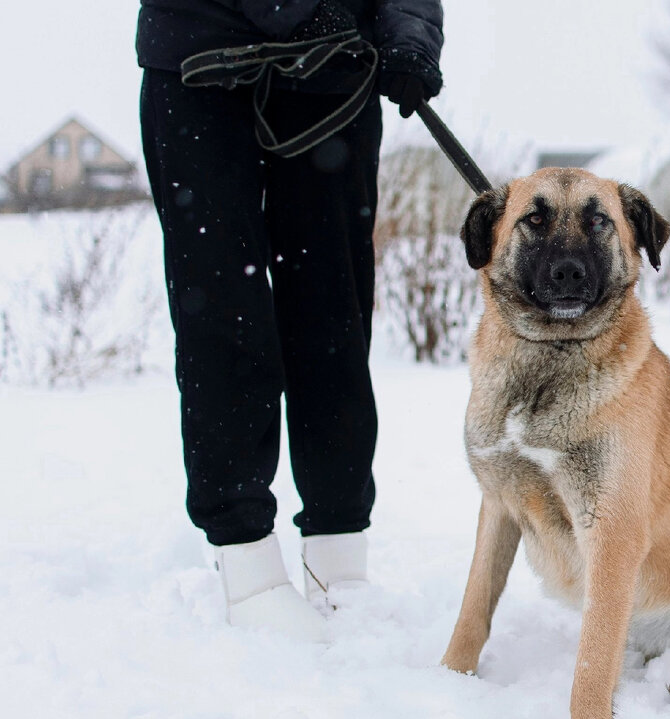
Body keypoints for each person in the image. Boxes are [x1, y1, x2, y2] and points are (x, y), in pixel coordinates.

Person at [137, 0, 444, 639]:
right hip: (196, 58)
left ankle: (339, 549)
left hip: (332, 64)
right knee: (221, 314)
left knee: (335, 315)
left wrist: (410, 34)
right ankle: (244, 555)